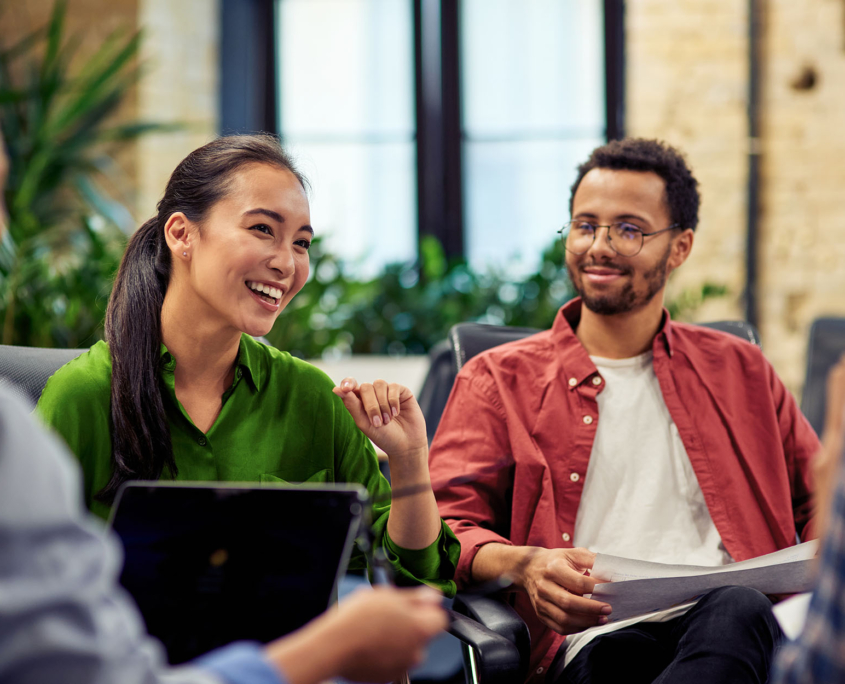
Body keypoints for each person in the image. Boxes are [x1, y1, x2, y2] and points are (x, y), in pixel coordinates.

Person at [0, 132, 448, 684]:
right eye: (263, 229)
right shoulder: (83, 396)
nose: (287, 263)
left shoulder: (312, 397)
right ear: (182, 234)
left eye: (302, 242)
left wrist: (409, 461)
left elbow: (414, 589)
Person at [428, 138, 819, 684]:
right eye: (585, 225)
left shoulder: (743, 370)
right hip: (593, 639)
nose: (599, 246)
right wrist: (525, 564)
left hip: (736, 630)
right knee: (619, 655)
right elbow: (442, 528)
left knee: (736, 607)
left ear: (679, 248)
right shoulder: (497, 379)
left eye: (628, 229)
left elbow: (825, 499)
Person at [771, 353, 845, 683]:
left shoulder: (743, 364)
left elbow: (813, 672)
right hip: (607, 628)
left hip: (738, 605)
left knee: (732, 611)